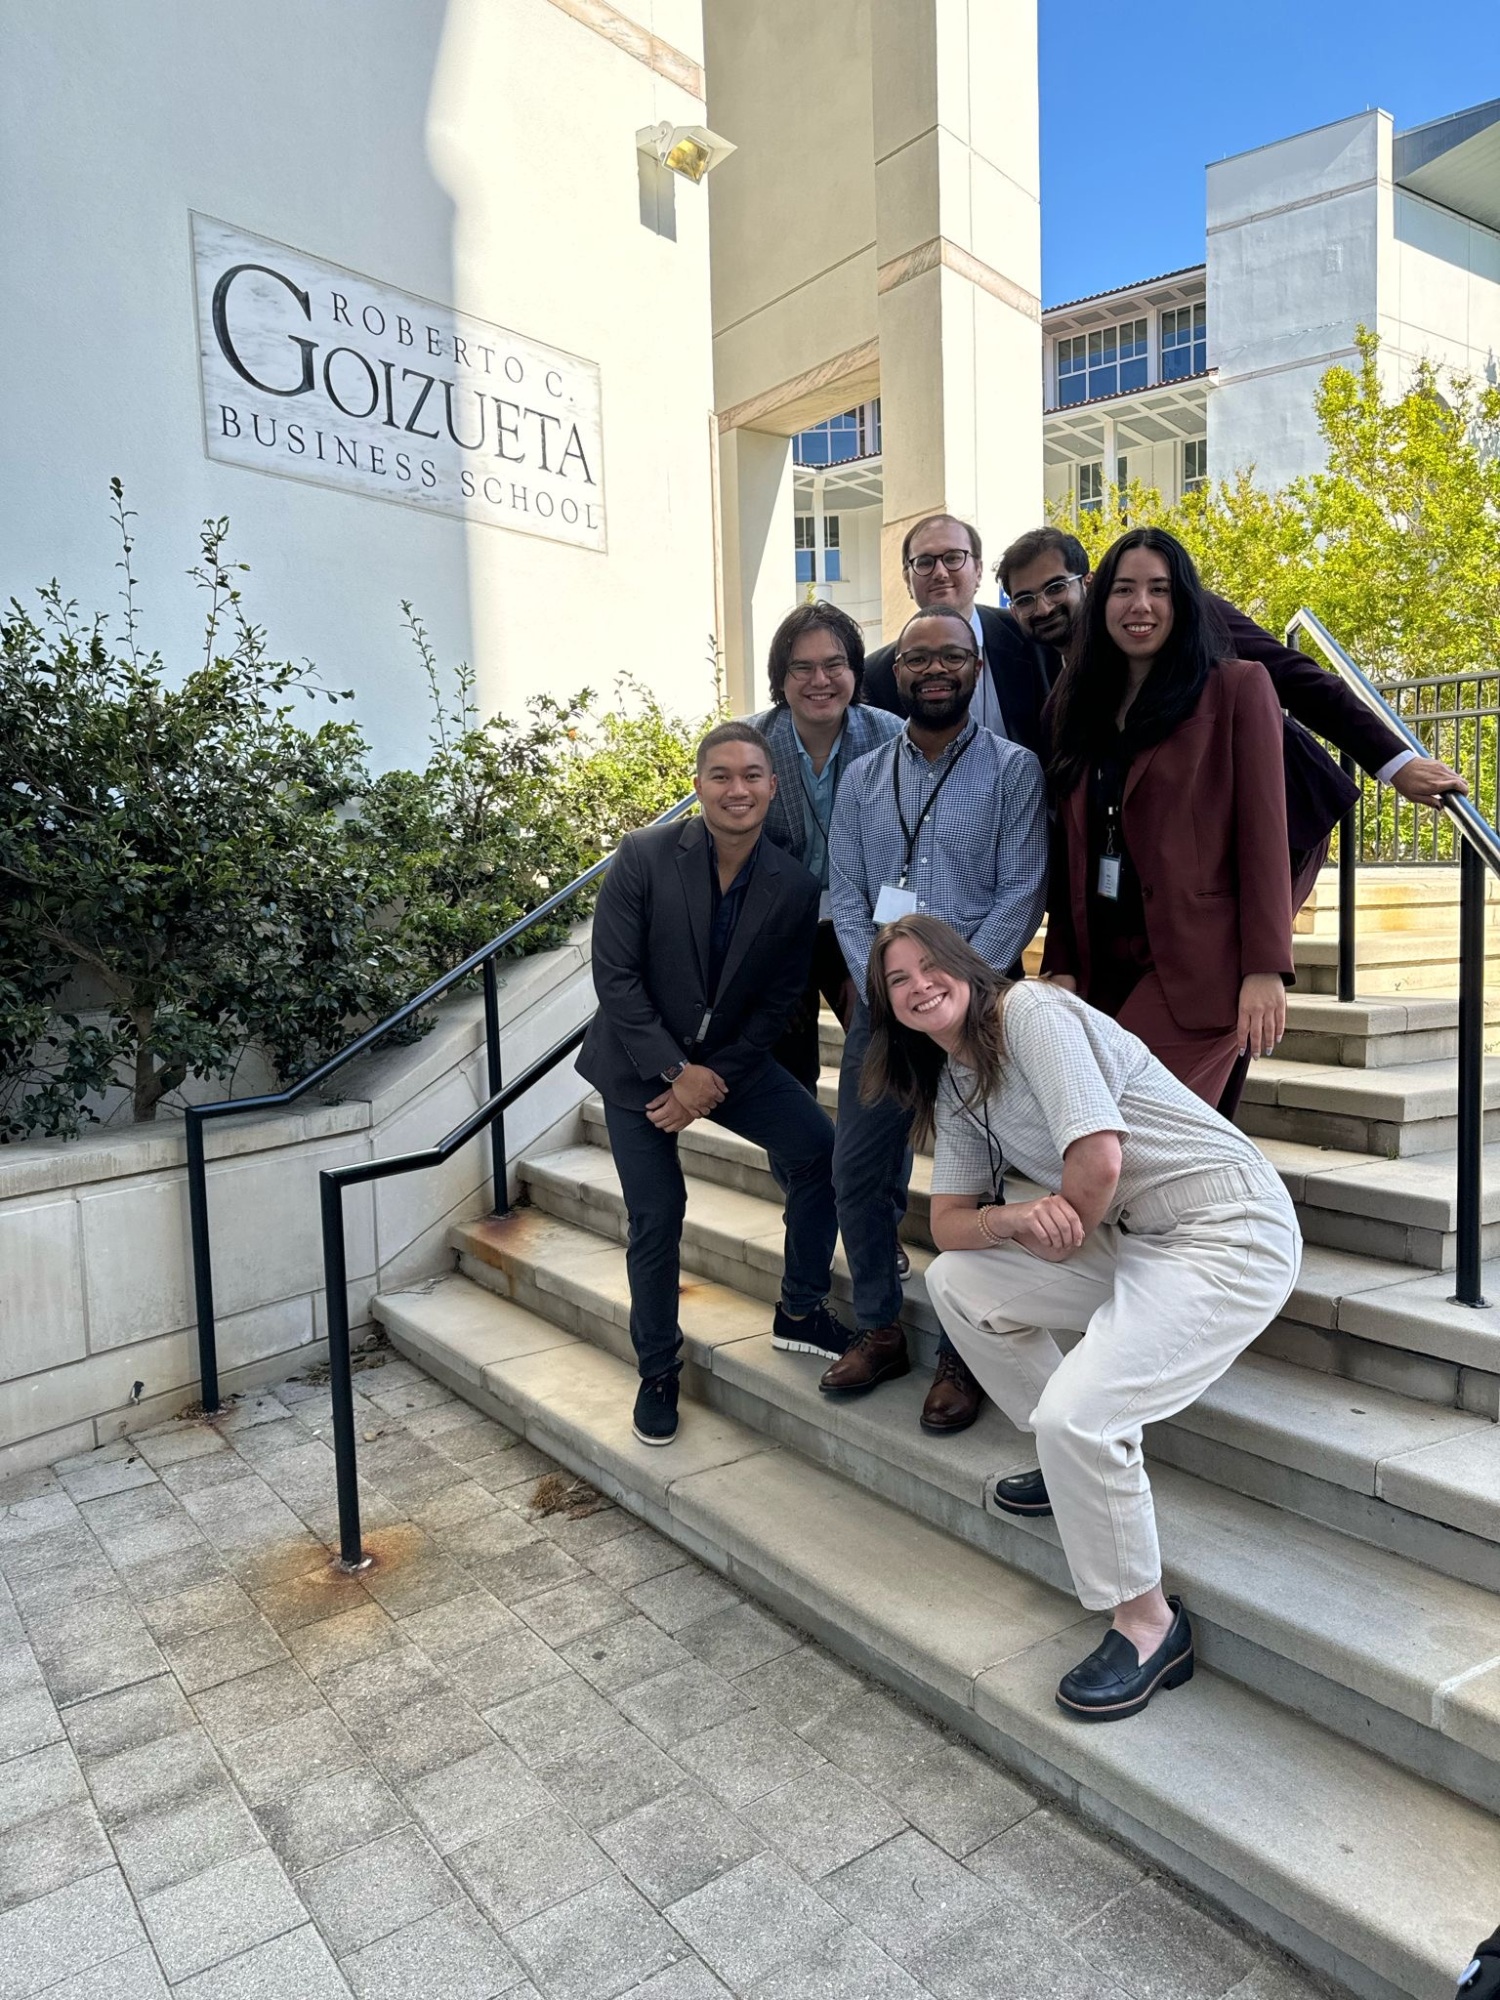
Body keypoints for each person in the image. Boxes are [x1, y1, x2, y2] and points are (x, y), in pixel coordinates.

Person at [864, 914, 1301, 1721]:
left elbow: (1097, 1157)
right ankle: (1070, 1462)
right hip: (1129, 1236)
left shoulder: (1031, 1013)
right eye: (897, 980)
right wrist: (1014, 1222)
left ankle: (1148, 1626)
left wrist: (1056, 1217)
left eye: (931, 966)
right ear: (885, 1004)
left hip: (1224, 1229)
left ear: (967, 967)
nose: (919, 985)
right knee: (962, 1280)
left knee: (1083, 1420)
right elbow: (949, 1222)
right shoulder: (956, 1079)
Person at [997, 523, 1468, 1111]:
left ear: (1086, 582)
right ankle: (1213, 1139)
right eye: (1024, 598)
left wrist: (1393, 763)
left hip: (1275, 815)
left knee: (1209, 979)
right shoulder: (1070, 693)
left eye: (1054, 588)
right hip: (1147, 860)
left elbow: (1296, 679)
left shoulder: (1208, 646)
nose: (1043, 606)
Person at [576, 722, 845, 1445]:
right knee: (658, 1214)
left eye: (752, 775)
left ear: (772, 786)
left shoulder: (794, 885)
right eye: (721, 775)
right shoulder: (644, 854)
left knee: (821, 1150)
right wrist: (675, 1073)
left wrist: (710, 1078)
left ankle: (799, 1308)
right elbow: (617, 979)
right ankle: (658, 1367)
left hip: (730, 1063)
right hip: (637, 1064)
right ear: (697, 785)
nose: (737, 789)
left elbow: (779, 1001)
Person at [822, 606, 1048, 1432]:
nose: (935, 669)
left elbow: (1022, 890)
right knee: (858, 1170)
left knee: (977, 1182)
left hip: (980, 1012)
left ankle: (967, 1348)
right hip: (882, 1014)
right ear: (898, 672)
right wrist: (889, 992)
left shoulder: (1015, 770)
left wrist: (952, 994)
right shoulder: (861, 775)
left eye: (953, 654)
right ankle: (881, 1323)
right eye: (918, 657)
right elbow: (846, 896)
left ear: (975, 670)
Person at [1039, 528, 1295, 1108]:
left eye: (1160, 589)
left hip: (1197, 963)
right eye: (1124, 589)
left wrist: (1265, 969)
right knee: (1119, 1141)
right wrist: (1061, 962)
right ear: (1100, 601)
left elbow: (1264, 837)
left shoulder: (1236, 688)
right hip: (1102, 958)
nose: (1141, 606)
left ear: (1183, 602)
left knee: (1125, 1127)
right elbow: (1068, 848)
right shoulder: (1073, 704)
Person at [752, 601, 902, 1091]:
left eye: (835, 664)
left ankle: (875, 1169)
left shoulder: (893, 739)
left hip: (863, 924)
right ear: (781, 678)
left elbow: (911, 845)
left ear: (855, 671)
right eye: (803, 667)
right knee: (787, 1076)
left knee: (881, 1067)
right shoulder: (750, 743)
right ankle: (800, 1168)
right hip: (779, 930)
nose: (821, 679)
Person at [864, 514, 1053, 752]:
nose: (940, 572)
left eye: (953, 557)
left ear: (979, 570)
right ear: (907, 579)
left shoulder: (1031, 635)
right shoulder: (875, 676)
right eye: (924, 562)